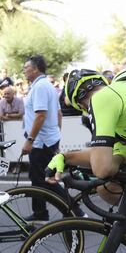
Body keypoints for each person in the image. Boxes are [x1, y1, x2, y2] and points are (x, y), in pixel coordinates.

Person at [47, 69, 126, 206]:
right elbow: (114, 152)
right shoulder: (120, 85)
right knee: (106, 188)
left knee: (106, 189)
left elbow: (102, 169)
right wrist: (66, 157)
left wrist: (117, 159)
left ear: (82, 106)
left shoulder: (101, 99)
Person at [21, 55, 84, 220]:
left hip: (41, 142)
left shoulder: (41, 87)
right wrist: (56, 136)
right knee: (37, 178)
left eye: (26, 68)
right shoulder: (44, 85)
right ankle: (40, 213)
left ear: (35, 69)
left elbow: (41, 115)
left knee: (45, 179)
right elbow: (58, 114)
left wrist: (30, 140)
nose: (24, 71)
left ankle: (75, 210)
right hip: (47, 139)